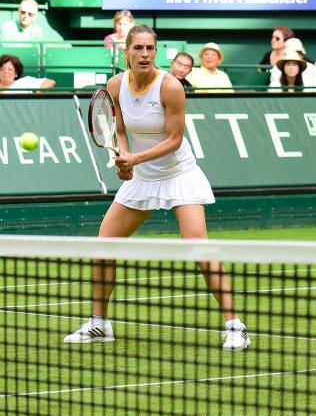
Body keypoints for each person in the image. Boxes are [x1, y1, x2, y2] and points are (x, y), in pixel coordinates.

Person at [63, 25, 249, 351]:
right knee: (103, 246)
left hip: (179, 173)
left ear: (156, 51)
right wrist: (122, 156)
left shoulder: (171, 87)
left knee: (198, 248)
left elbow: (175, 140)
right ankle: (99, 324)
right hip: (143, 177)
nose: (145, 54)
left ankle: (235, 326)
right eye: (139, 49)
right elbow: (118, 128)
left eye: (150, 48)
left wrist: (134, 158)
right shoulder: (116, 84)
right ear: (127, 52)